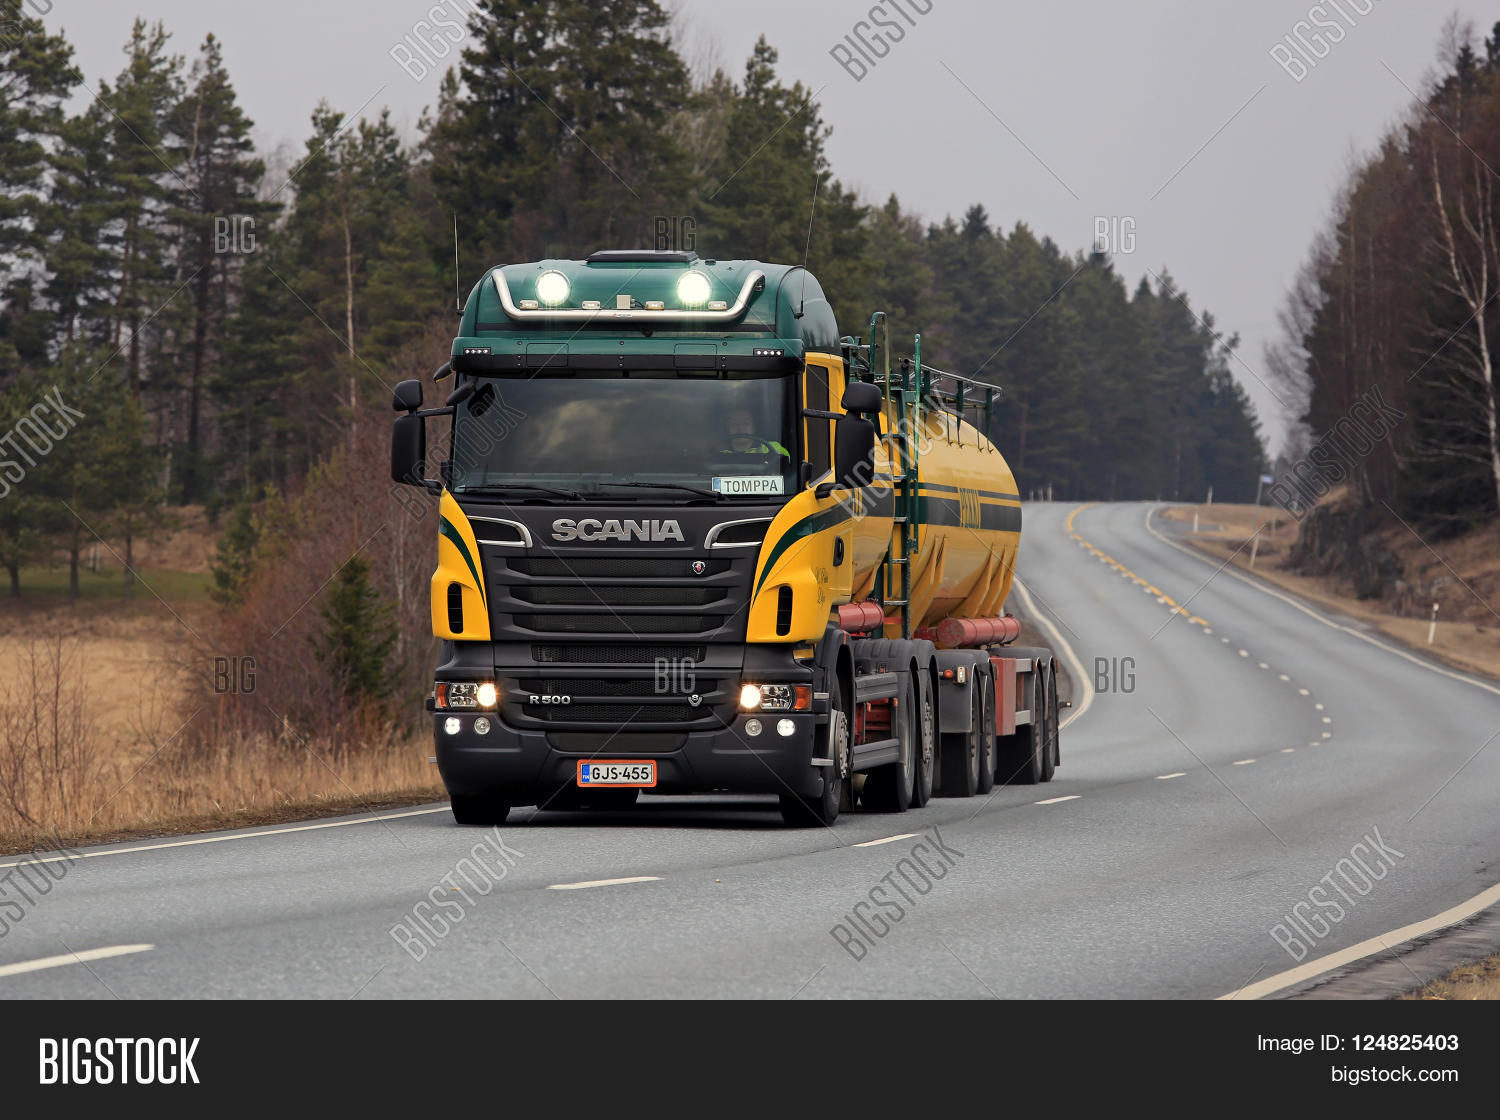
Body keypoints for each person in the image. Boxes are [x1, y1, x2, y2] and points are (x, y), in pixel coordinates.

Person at [721, 407, 789, 459]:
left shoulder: (772, 447)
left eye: (746, 423)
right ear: (727, 429)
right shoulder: (720, 455)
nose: (740, 427)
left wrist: (781, 458)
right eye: (733, 424)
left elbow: (788, 465)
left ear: (754, 427)